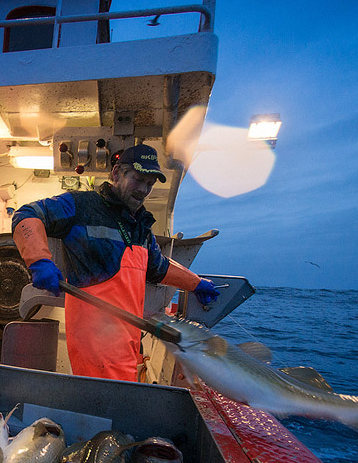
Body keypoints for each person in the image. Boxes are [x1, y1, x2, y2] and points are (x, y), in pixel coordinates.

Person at [11, 143, 219, 381]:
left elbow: (158, 267)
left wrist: (196, 283)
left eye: (149, 184)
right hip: (94, 342)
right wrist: (39, 260)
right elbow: (26, 214)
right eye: (138, 179)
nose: (143, 189)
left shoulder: (140, 228)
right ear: (117, 173)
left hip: (128, 341)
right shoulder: (81, 206)